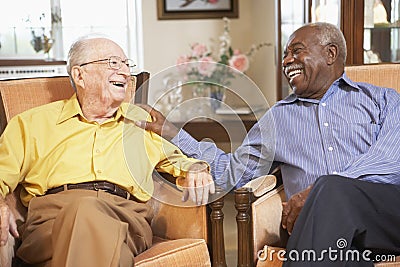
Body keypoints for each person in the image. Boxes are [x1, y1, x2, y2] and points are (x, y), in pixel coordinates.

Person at [137, 22, 400, 265]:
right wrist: (174, 133)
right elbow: (233, 174)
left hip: (386, 218)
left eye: (296, 51)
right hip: (326, 235)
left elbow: (391, 160)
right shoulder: (278, 118)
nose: (286, 61)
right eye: (285, 55)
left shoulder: (383, 100)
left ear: (331, 54)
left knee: (330, 189)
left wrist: (315, 193)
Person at [0, 36, 215, 267]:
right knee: (109, 248)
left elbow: (180, 161)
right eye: (113, 63)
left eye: (125, 64)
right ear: (79, 75)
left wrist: (197, 168)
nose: (124, 72)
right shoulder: (31, 123)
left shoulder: (141, 121)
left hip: (126, 219)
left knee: (88, 213)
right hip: (50, 221)